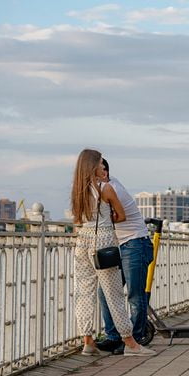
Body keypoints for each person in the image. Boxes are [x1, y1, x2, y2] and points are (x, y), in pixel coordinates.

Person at [70, 149, 155, 357]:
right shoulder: (105, 188)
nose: (103, 168)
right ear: (93, 167)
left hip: (82, 242)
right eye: (100, 164)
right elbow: (121, 215)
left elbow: (77, 221)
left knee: (83, 293)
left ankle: (88, 341)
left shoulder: (77, 191)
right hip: (104, 240)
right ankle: (131, 343)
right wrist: (107, 220)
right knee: (114, 293)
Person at [95, 159, 154, 354]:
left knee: (135, 294)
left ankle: (135, 340)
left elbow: (117, 216)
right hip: (120, 245)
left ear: (103, 172)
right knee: (105, 292)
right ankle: (114, 336)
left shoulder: (110, 187)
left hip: (135, 243)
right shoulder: (100, 188)